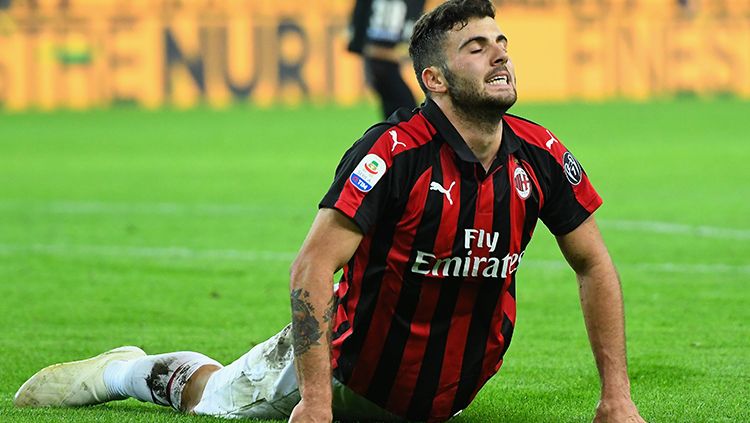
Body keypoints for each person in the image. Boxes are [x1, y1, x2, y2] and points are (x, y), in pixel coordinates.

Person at [14, 1, 647, 422]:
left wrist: (616, 397)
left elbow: (593, 263)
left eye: (501, 41)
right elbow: (312, 267)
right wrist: (316, 402)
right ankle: (124, 371)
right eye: (477, 47)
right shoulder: (394, 153)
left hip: (445, 395)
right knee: (221, 398)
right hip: (349, 375)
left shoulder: (541, 153)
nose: (501, 54)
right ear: (435, 80)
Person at [348, 0, 426, 118]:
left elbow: (359, 24)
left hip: (379, 58)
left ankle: (394, 131)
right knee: (407, 109)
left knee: (396, 107)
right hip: (382, 59)